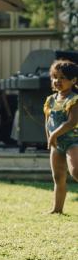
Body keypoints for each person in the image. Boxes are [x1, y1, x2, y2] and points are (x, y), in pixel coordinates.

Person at [43, 60, 78, 214]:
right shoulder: (50, 100)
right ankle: (57, 209)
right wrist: (49, 138)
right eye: (55, 77)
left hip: (73, 141)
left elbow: (71, 122)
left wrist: (54, 135)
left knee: (75, 171)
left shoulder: (74, 100)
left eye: (62, 77)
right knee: (58, 176)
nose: (57, 81)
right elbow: (47, 122)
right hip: (57, 144)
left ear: (73, 81)